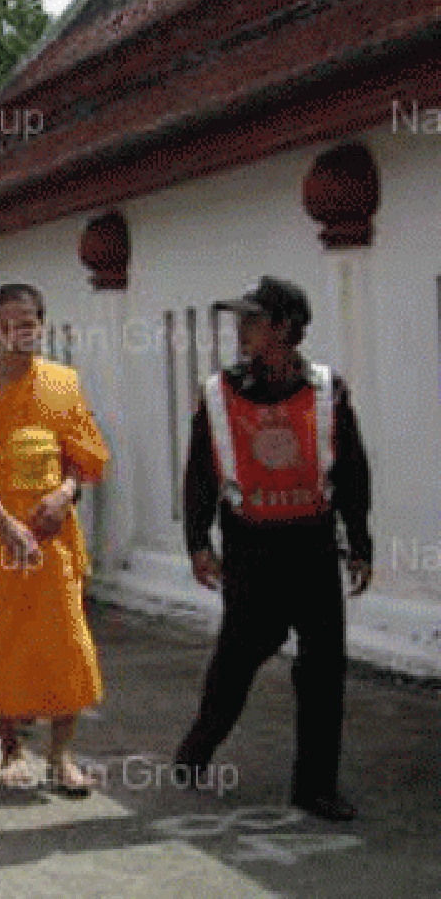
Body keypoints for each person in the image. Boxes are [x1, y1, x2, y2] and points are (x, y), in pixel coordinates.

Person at [174, 277, 372, 822]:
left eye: (252, 320)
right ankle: (197, 749)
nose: (241, 330)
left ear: (283, 328)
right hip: (250, 545)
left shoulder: (328, 389)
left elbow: (351, 468)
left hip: (311, 542)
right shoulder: (219, 392)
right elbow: (200, 475)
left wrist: (360, 542)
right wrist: (197, 542)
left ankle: (314, 786)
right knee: (239, 659)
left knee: (322, 669)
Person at [0, 283, 109, 794]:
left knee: (65, 638)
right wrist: (7, 526)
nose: (22, 331)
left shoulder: (63, 383)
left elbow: (82, 459)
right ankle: (11, 749)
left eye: (30, 322)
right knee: (2, 638)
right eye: (11, 323)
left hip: (53, 530)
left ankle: (62, 756)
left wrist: (64, 494)